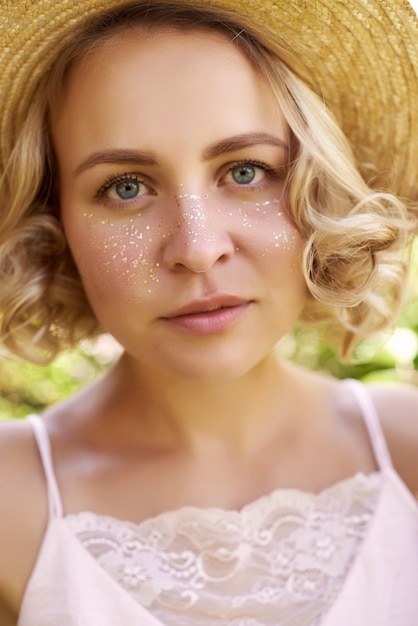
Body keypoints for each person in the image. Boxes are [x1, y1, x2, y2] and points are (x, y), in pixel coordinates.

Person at [0, 0, 417, 624]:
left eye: (245, 171)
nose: (197, 249)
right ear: (54, 217)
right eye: (126, 186)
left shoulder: (408, 452)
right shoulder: (11, 506)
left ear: (316, 188)